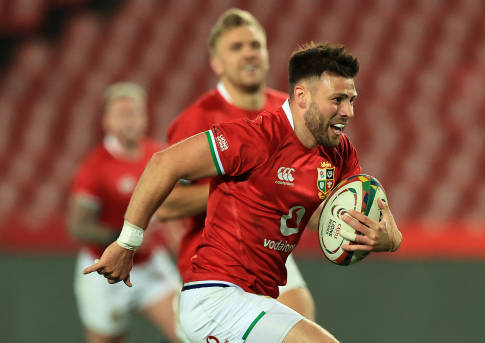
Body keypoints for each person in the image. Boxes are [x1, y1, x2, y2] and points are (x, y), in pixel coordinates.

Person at [84, 43, 403, 343]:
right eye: (337, 100)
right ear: (302, 96)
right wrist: (128, 241)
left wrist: (388, 240)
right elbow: (165, 162)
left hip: (258, 299)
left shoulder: (339, 152)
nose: (348, 111)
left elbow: (339, 217)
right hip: (216, 298)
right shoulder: (256, 138)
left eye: (352, 100)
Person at [154, 8, 315, 320]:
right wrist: (248, 186)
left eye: (255, 45)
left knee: (302, 316)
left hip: (269, 250)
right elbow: (166, 205)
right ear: (217, 63)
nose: (248, 54)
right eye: (236, 47)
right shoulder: (196, 120)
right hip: (213, 257)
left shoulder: (291, 112)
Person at [68, 82, 181, 343]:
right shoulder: (95, 167)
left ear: (145, 117)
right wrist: (128, 237)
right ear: (107, 121)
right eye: (122, 114)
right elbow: (78, 225)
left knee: (188, 331)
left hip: (149, 265)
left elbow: (175, 204)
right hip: (105, 269)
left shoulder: (158, 155)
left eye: (135, 112)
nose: (130, 120)